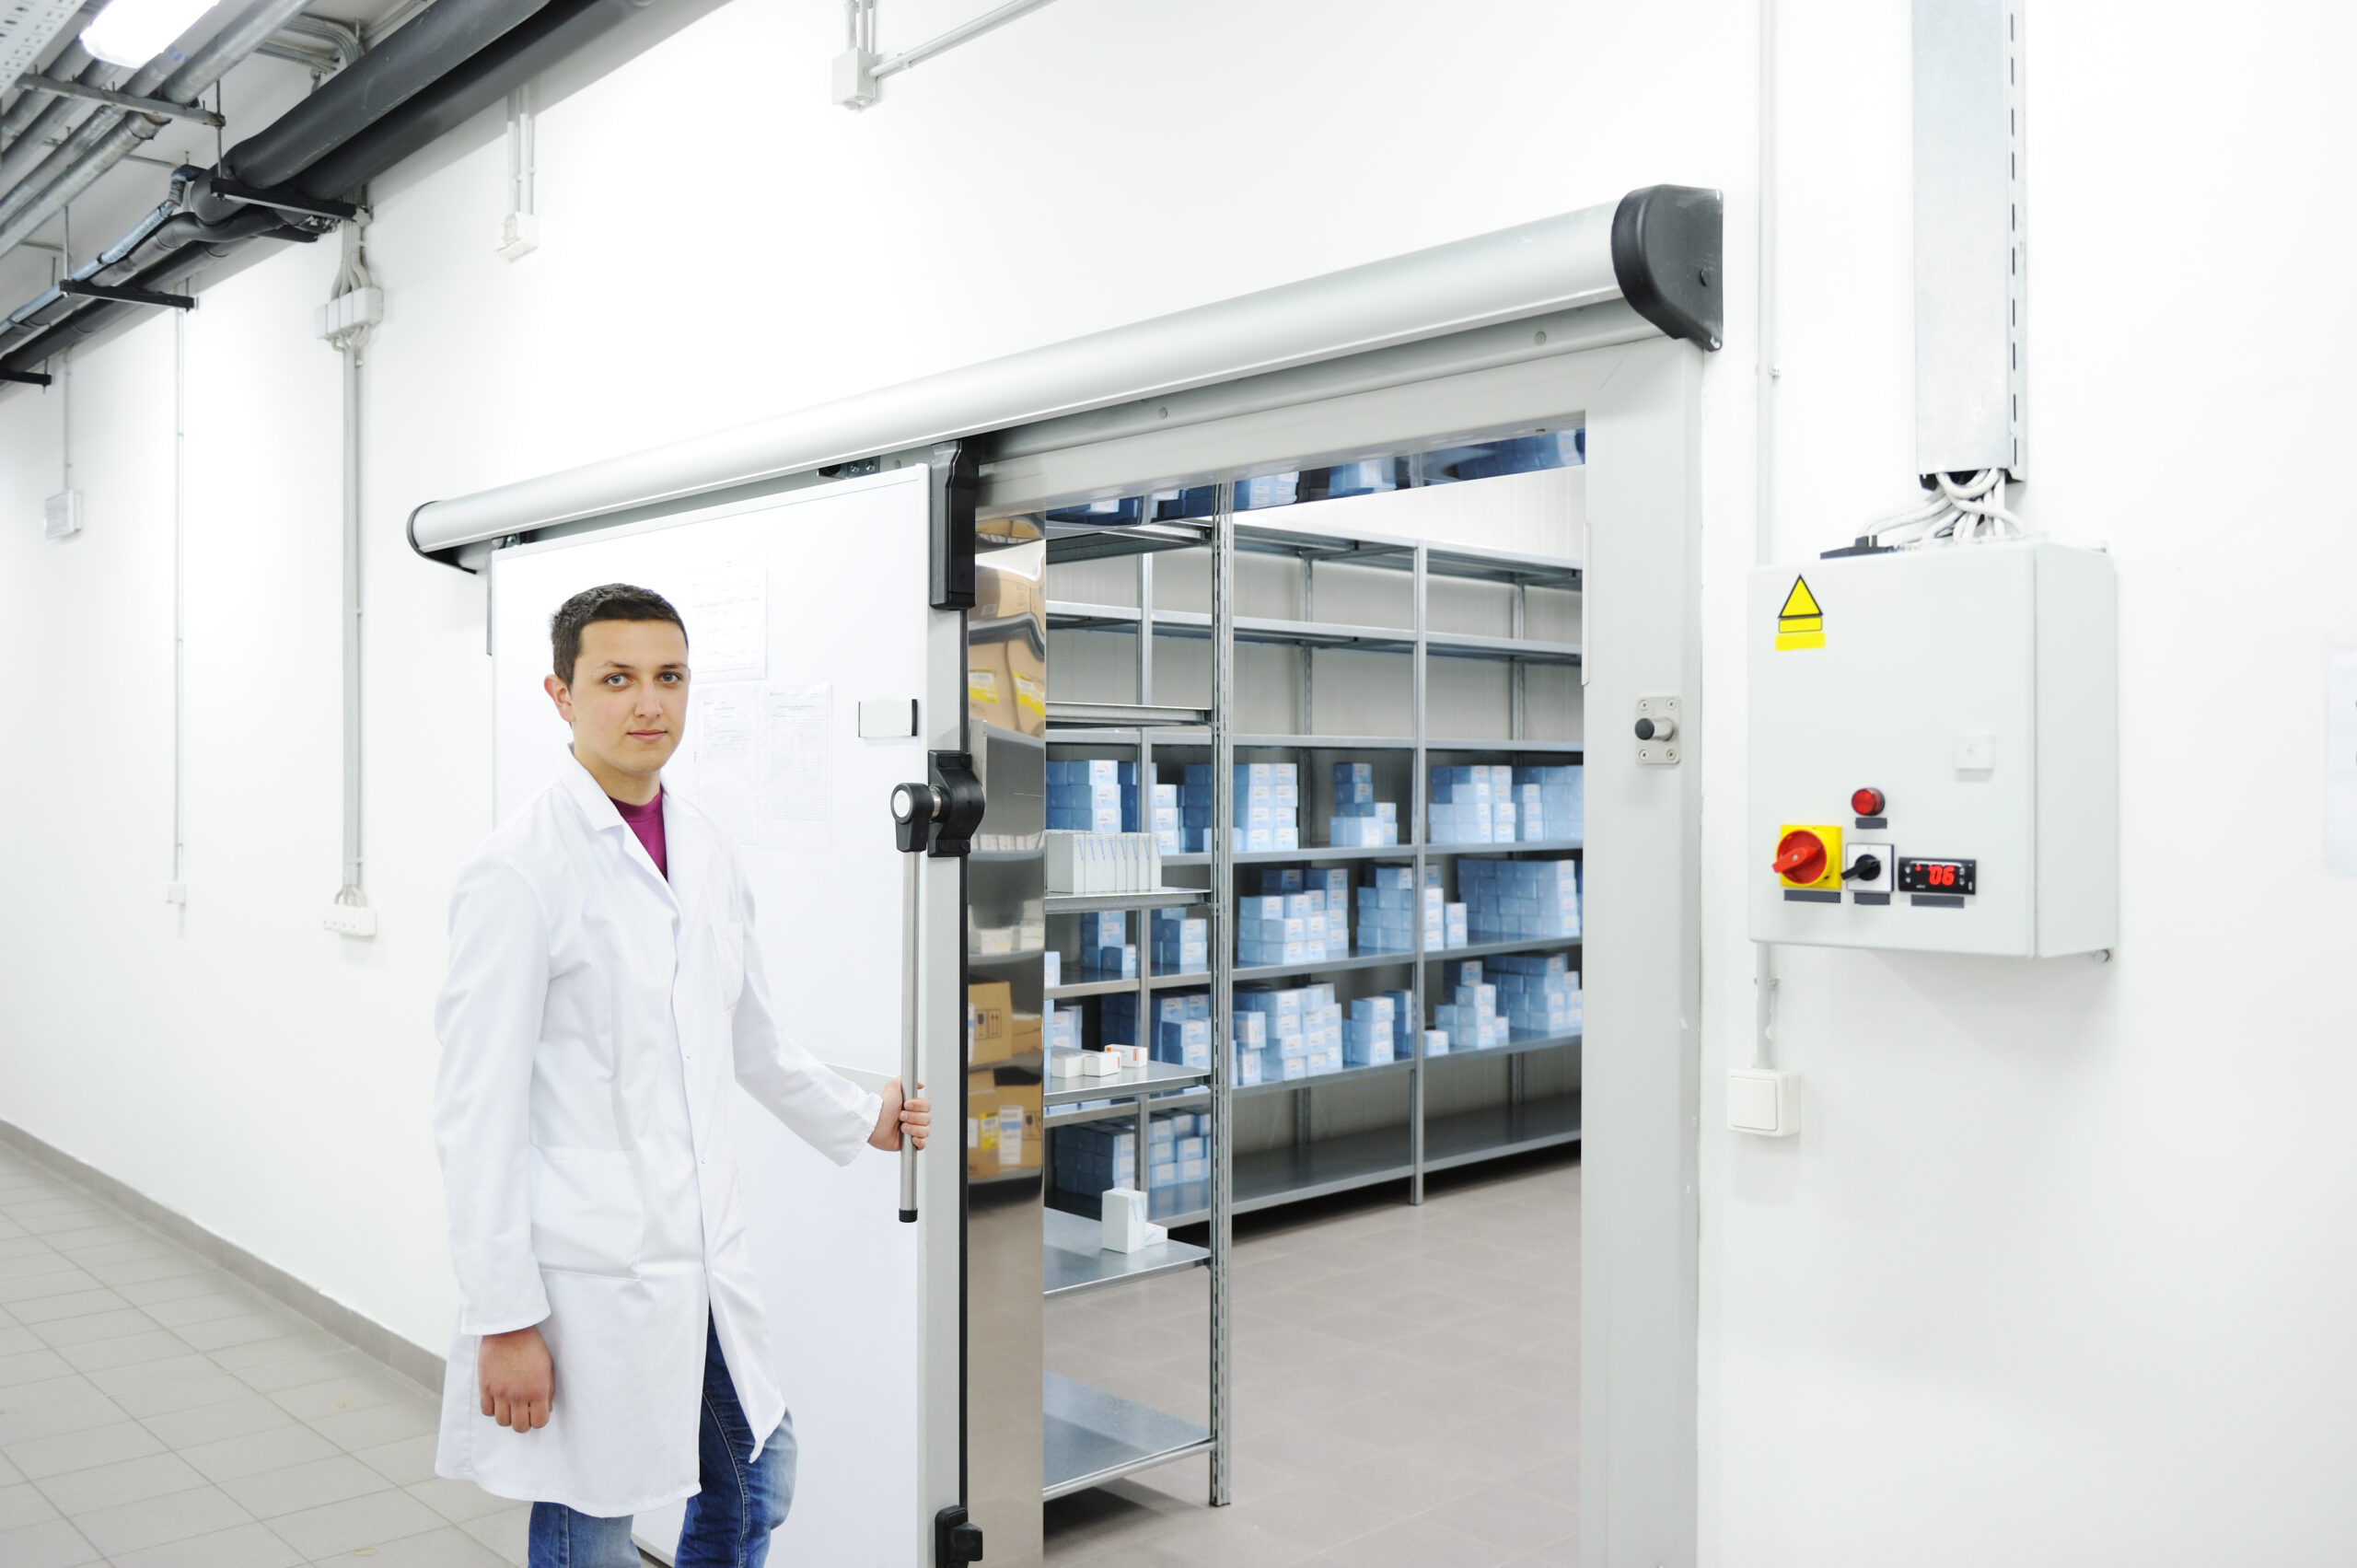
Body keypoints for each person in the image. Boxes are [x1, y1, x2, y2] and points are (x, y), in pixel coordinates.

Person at [431, 582, 929, 1568]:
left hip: (697, 1254)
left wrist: (857, 1113)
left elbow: (747, 1032)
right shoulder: (519, 869)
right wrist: (504, 1316)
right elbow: (473, 1113)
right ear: (561, 693)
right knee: (591, 1519)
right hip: (588, 1272)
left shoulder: (702, 846)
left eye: (668, 676)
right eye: (615, 678)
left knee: (756, 1477)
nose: (647, 702)